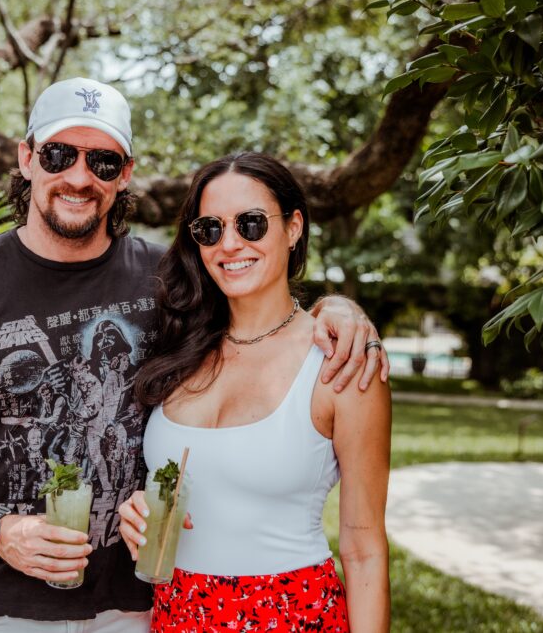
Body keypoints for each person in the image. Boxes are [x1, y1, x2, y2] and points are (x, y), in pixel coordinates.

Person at [0, 78, 389, 632]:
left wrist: (339, 310)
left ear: (124, 174)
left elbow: (257, 299)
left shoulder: (172, 283)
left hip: (133, 609)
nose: (79, 177)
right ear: (27, 159)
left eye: (102, 161)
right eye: (58, 154)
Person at [119, 152, 391, 632]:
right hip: (178, 614)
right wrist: (136, 510)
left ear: (293, 227)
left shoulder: (340, 362)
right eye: (210, 229)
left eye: (251, 223)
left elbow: (364, 549)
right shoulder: (177, 345)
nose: (229, 244)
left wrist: (341, 307)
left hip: (291, 615)